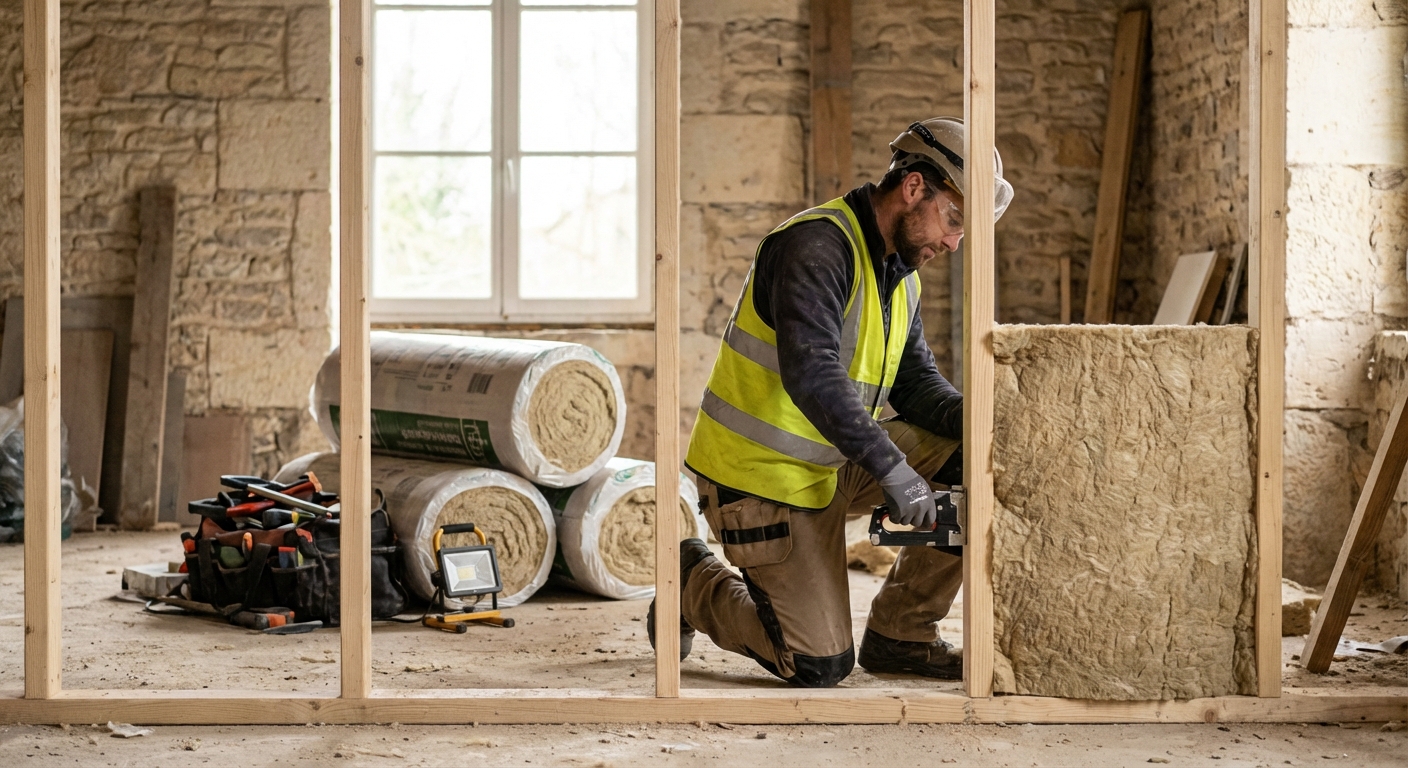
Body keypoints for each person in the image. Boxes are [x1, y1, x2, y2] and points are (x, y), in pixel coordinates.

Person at [651, 117, 1014, 688]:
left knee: (981, 456)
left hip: (832, 462)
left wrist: (996, 423)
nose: (952, 242)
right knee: (818, 665)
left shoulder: (901, 272)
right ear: (914, 187)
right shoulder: (814, 245)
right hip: (760, 479)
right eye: (954, 220)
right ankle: (690, 578)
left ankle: (903, 634)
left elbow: (916, 387)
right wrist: (894, 469)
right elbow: (811, 372)